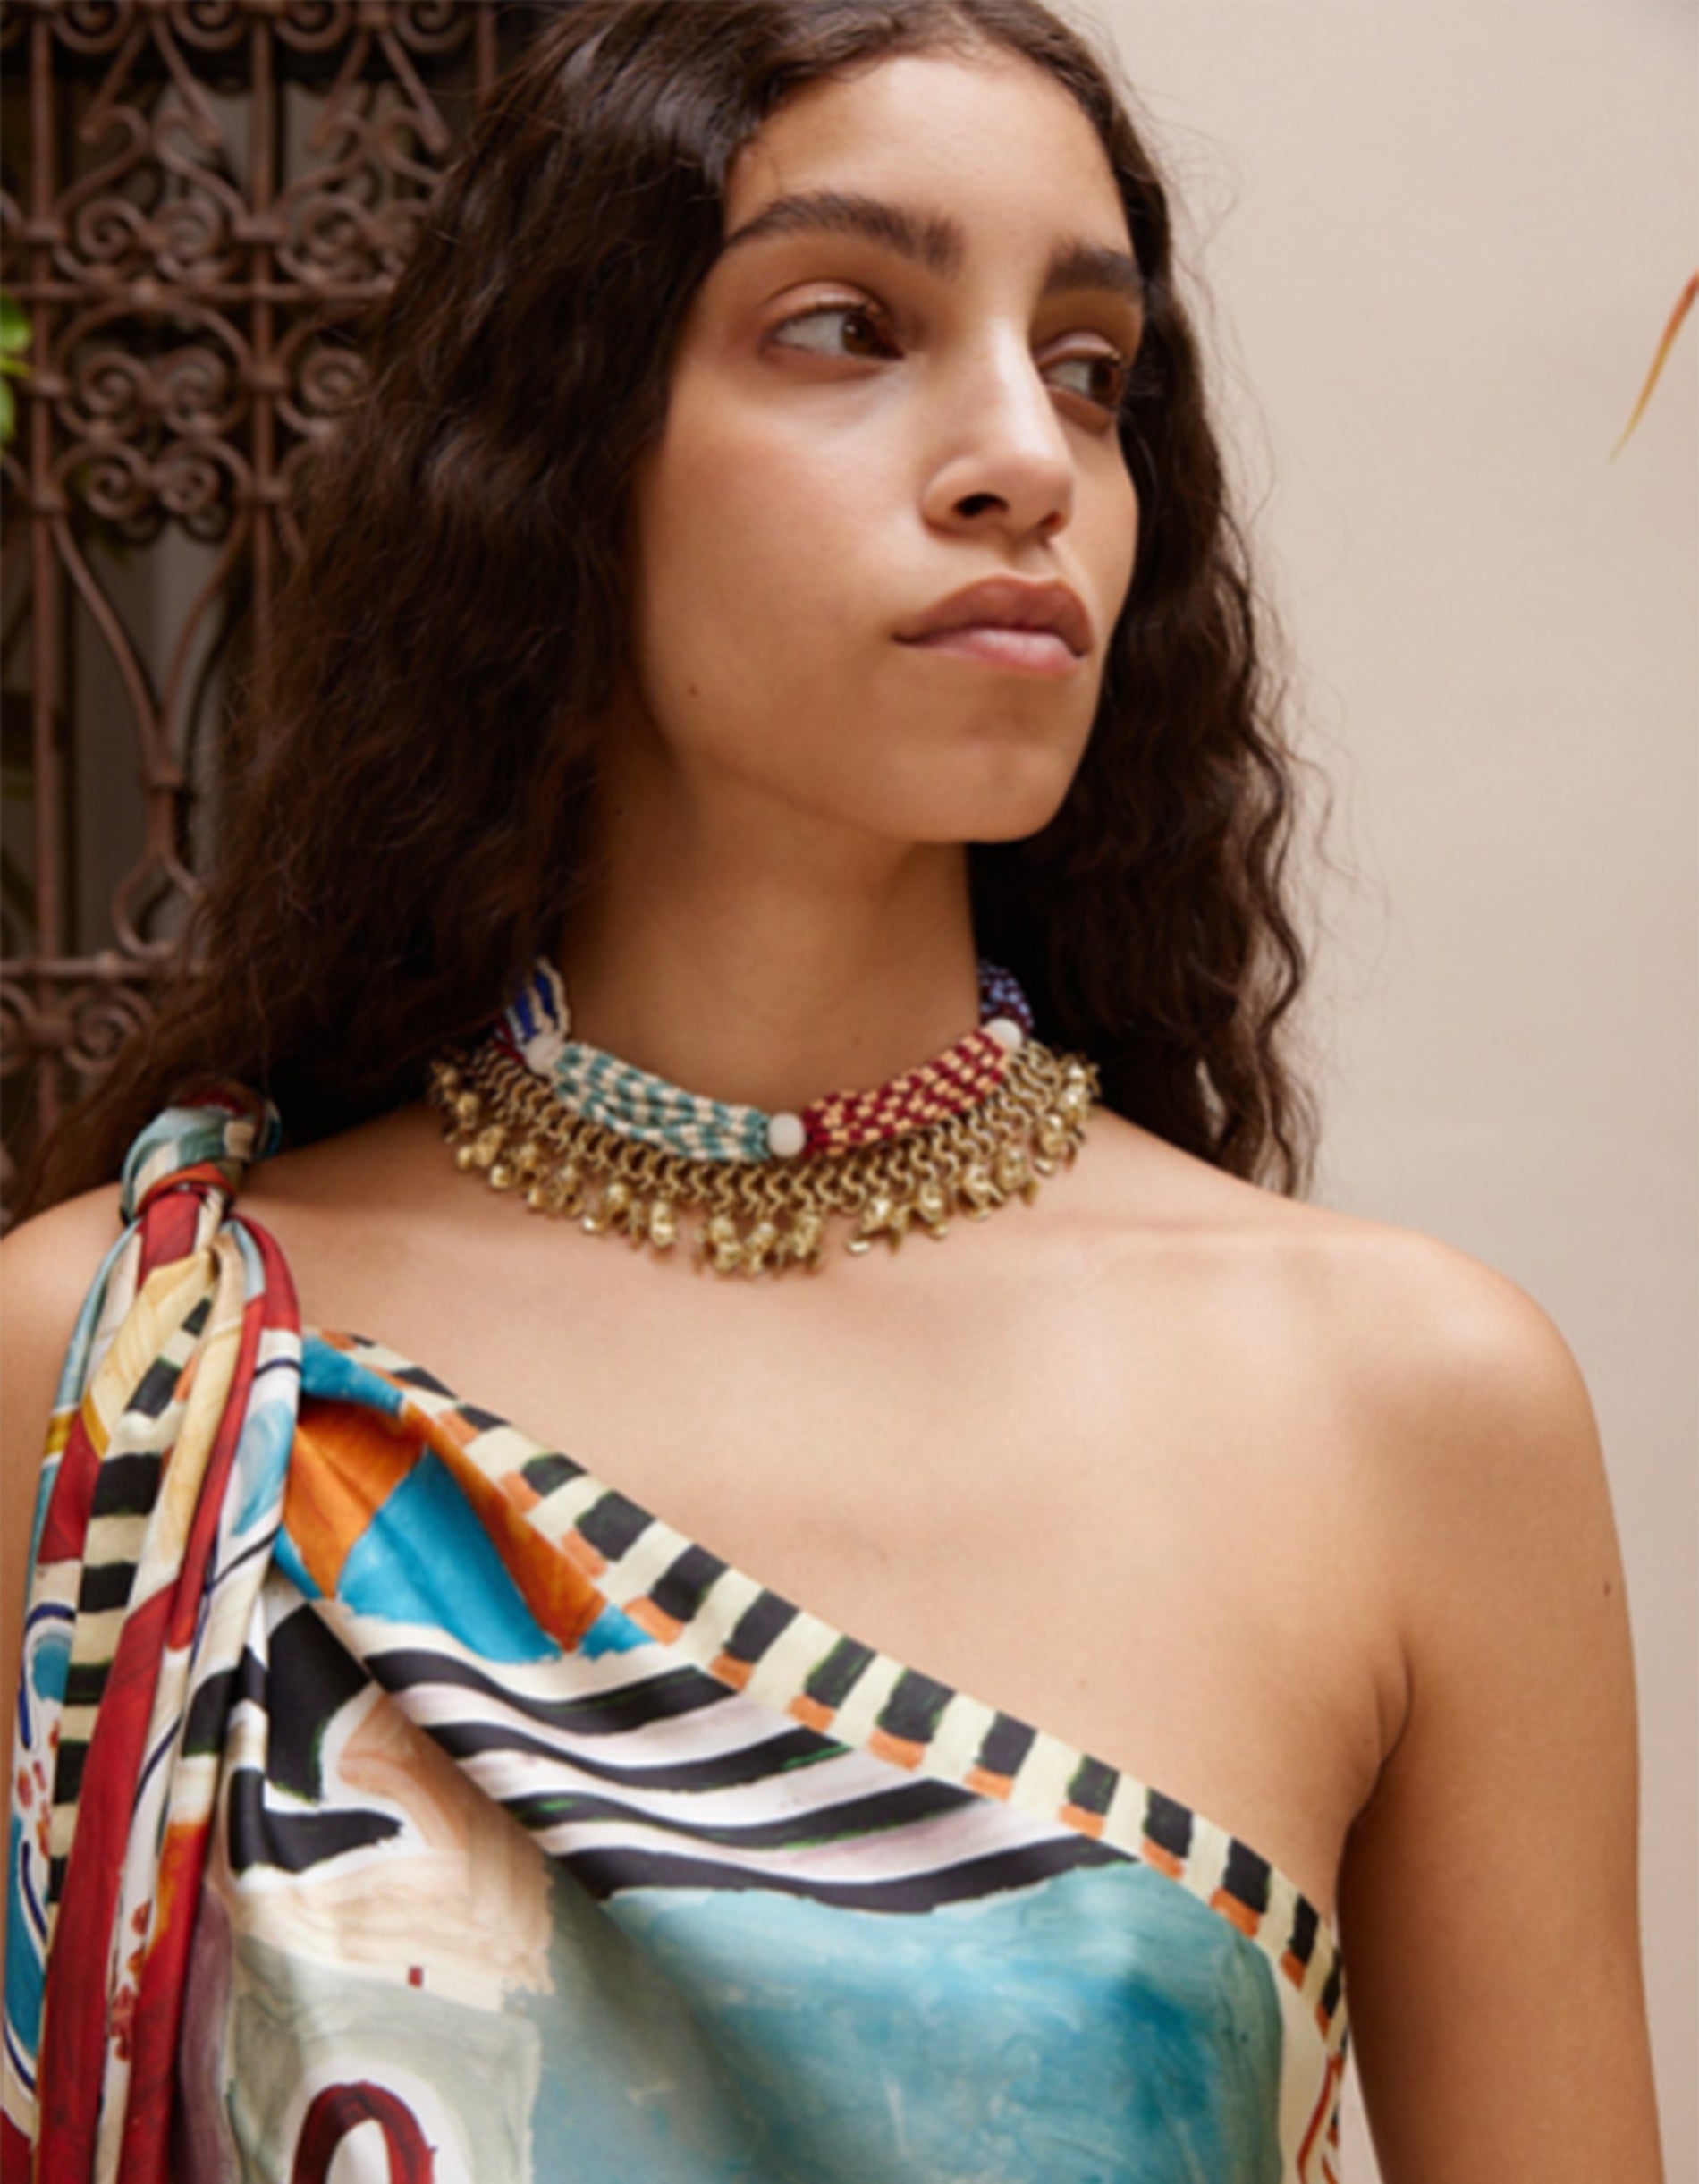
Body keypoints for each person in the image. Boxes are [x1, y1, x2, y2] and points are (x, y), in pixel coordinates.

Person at [0, 0, 1664, 2177]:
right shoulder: (136, 1372)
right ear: (561, 450)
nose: (1024, 455)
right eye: (843, 327)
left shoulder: (1403, 1413)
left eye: (1090, 367)